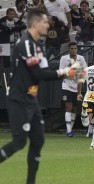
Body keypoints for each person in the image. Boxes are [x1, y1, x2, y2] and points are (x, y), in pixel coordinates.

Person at [0, 9, 80, 184]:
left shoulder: (37, 46)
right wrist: (65, 71)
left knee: (37, 139)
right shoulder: (26, 44)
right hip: (19, 99)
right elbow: (38, 73)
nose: (47, 25)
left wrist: (67, 73)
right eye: (44, 22)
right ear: (35, 24)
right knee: (20, 142)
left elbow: (45, 72)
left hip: (31, 99)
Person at [59, 42, 87, 137]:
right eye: (72, 48)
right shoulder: (64, 59)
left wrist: (79, 91)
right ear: (68, 49)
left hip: (77, 88)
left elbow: (83, 73)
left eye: (75, 48)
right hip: (66, 86)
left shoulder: (81, 58)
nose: (74, 50)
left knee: (75, 109)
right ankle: (69, 131)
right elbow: (62, 73)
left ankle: (69, 129)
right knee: (69, 107)